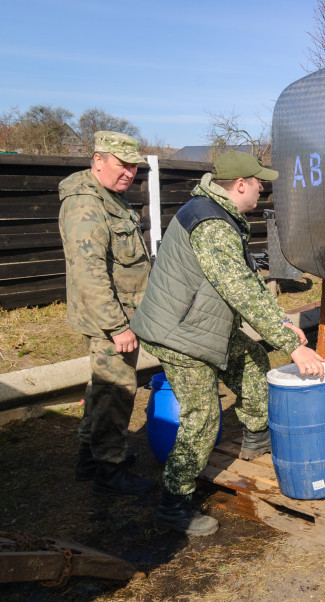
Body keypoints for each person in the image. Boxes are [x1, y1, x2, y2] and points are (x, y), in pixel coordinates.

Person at [131, 151, 325, 536]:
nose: (262, 190)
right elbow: (240, 290)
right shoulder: (212, 225)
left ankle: (256, 439)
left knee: (252, 363)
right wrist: (292, 346)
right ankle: (174, 504)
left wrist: (282, 325)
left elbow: (246, 279)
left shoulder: (216, 211)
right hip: (180, 333)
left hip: (198, 322)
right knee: (202, 418)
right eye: (258, 183)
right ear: (239, 185)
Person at [58, 131, 156, 496]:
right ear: (98, 160)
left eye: (134, 166)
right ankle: (110, 471)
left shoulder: (109, 195)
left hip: (121, 311)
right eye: (122, 164)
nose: (129, 173)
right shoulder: (86, 204)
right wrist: (116, 326)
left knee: (102, 387)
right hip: (110, 318)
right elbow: (88, 272)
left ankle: (90, 457)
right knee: (116, 389)